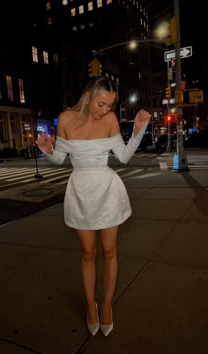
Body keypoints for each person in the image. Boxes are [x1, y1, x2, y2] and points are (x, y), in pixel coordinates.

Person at [35, 76, 151, 336]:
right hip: (80, 191)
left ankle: (107, 306)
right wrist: (47, 151)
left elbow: (122, 157)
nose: (105, 111)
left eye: (110, 106)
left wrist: (138, 132)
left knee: (109, 251)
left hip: (107, 190)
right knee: (88, 253)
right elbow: (60, 158)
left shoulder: (109, 121)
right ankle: (91, 306)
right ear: (88, 96)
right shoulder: (65, 119)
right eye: (101, 104)